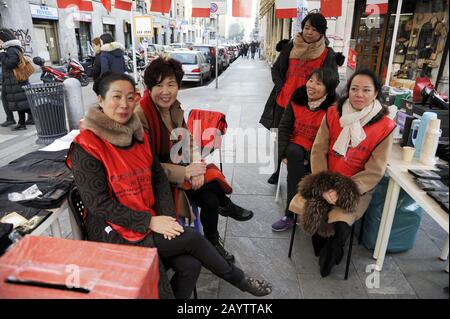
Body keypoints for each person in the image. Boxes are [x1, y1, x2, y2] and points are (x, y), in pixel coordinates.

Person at [67, 72, 272, 299]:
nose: (124, 105)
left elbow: (159, 179)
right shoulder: (86, 146)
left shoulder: (138, 135)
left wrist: (167, 218)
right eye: (116, 97)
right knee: (193, 239)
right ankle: (241, 280)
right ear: (100, 99)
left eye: (129, 97)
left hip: (148, 215)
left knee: (191, 265)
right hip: (113, 229)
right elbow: (98, 204)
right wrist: (150, 221)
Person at [135, 57, 254, 264]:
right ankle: (224, 209)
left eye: (171, 84)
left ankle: (212, 242)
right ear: (149, 87)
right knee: (211, 196)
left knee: (209, 196)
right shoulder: (142, 114)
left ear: (178, 86)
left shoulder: (173, 107)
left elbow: (187, 139)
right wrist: (186, 172)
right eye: (159, 85)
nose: (165, 91)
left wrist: (196, 166)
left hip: (178, 168)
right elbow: (147, 165)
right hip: (158, 182)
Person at [289, 69, 396, 277]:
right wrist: (325, 186)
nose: (359, 94)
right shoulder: (332, 113)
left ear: (375, 94)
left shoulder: (385, 127)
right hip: (324, 179)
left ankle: (335, 248)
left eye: (366, 90)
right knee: (316, 221)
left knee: (340, 223)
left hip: (356, 187)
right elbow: (318, 149)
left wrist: (341, 191)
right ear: (348, 90)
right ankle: (323, 243)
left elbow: (375, 170)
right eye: (354, 89)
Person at [259, 13, 339, 185]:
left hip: (308, 106)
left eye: (315, 29)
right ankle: (278, 170)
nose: (309, 32)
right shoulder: (291, 46)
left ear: (322, 33)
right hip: (284, 101)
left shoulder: (327, 54)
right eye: (307, 28)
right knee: (282, 136)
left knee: (305, 138)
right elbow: (276, 69)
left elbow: (332, 80)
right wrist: (282, 87)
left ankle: (303, 171)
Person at [271, 67, 339, 232]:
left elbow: (330, 139)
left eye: (319, 83)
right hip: (294, 148)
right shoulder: (297, 99)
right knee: (294, 154)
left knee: (301, 168)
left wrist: (310, 157)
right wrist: (282, 155)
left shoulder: (333, 108)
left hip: (317, 152)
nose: (312, 86)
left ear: (328, 89)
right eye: (311, 80)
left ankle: (292, 213)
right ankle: (294, 213)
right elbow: (284, 127)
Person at [0, 28, 33, 130]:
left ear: (4, 39)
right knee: (19, 102)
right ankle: (22, 122)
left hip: (15, 80)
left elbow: (11, 63)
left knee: (20, 102)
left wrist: (2, 54)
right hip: (12, 81)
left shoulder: (12, 49)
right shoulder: (11, 49)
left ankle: (24, 122)